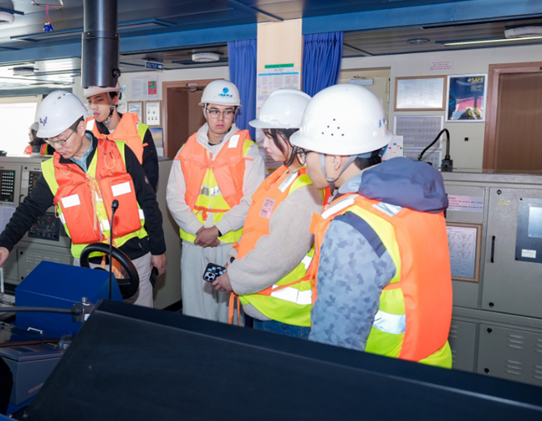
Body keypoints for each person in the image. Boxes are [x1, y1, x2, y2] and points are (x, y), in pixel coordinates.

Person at [290, 84, 452, 367]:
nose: (303, 163)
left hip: (379, 378)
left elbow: (335, 346)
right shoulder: (411, 200)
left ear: (336, 159)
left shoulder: (352, 226)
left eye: (305, 152)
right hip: (431, 366)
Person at [0, 91, 166, 307]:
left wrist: (158, 249)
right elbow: (28, 210)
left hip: (133, 257)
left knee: (137, 321)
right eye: (51, 141)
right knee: (94, 323)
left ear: (81, 127)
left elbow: (148, 201)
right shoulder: (52, 171)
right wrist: (5, 244)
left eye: (62, 139)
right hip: (89, 264)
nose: (57, 147)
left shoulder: (120, 153)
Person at [210, 89, 323, 335]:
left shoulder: (305, 190)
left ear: (296, 137)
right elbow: (257, 229)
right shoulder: (283, 175)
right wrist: (235, 260)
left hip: (284, 318)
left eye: (272, 137)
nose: (265, 144)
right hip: (264, 305)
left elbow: (278, 253)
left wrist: (235, 277)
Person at [166, 80, 265, 321]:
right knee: (195, 312)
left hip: (230, 245)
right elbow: (174, 197)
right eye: (214, 111)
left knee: (229, 315)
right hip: (195, 244)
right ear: (204, 111)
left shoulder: (249, 151)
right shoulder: (186, 150)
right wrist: (198, 229)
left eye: (227, 111)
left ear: (235, 113)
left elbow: (252, 200)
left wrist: (218, 229)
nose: (220, 118)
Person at [84, 85, 159, 189]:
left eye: (99, 100)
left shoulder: (139, 131)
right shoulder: (85, 132)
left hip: (133, 197)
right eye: (89, 101)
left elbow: (151, 177)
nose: (93, 107)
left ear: (115, 100)